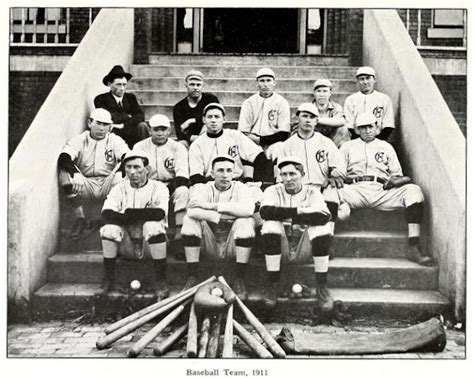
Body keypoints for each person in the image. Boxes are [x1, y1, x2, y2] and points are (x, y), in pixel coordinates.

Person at [338, 112, 433, 266]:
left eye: (370, 126)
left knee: (413, 191)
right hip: (356, 190)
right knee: (330, 192)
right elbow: (339, 173)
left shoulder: (386, 147)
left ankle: (414, 246)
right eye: (363, 127)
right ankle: (326, 242)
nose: (367, 130)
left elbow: (398, 175)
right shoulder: (347, 147)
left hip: (381, 190)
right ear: (356, 130)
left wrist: (395, 182)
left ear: (377, 128)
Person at [260, 157, 334, 311]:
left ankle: (322, 286)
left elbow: (324, 216)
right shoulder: (272, 190)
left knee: (321, 228)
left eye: (292, 174)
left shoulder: (312, 191)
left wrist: (284, 214)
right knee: (270, 225)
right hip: (281, 247)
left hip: (305, 247)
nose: (288, 179)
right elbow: (265, 212)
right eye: (284, 174)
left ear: (302, 174)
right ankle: (272, 284)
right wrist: (300, 211)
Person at [181, 155, 256, 299]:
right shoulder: (203, 188)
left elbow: (248, 210)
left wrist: (211, 206)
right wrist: (221, 216)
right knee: (190, 220)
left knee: (245, 222)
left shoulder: (241, 188)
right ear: (212, 173)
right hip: (209, 243)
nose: (225, 175)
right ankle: (192, 276)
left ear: (234, 173)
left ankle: (239, 278)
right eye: (220, 170)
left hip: (232, 244)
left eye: (229, 170)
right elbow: (192, 210)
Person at [99, 150, 171, 298]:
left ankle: (161, 280)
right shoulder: (119, 188)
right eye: (128, 167)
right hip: (126, 245)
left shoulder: (158, 187)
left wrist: (128, 214)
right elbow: (106, 213)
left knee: (152, 225)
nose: (132, 171)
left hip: (150, 245)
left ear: (147, 169)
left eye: (137, 167)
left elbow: (159, 213)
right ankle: (109, 279)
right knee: (109, 229)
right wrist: (136, 215)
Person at [58, 108, 129, 239]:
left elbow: (128, 156)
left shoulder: (114, 140)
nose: (102, 128)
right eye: (99, 123)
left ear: (110, 127)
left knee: (126, 170)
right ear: (90, 122)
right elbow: (64, 157)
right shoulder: (80, 139)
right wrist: (75, 173)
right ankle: (81, 219)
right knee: (64, 172)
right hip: (85, 183)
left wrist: (120, 171)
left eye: (106, 125)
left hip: (108, 183)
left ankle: (111, 218)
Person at [279, 103, 346, 239]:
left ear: (317, 121)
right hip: (298, 190)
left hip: (320, 188)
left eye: (312, 117)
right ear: (297, 118)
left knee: (334, 197)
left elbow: (340, 168)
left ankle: (329, 238)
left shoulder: (326, 142)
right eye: (305, 116)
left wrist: (334, 172)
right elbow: (280, 175)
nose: (308, 120)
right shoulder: (287, 145)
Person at [133, 114, 189, 240]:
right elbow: (136, 173)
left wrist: (164, 191)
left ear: (169, 131)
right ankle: (143, 234)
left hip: (171, 185)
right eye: (156, 129)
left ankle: (179, 234)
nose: (159, 133)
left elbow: (182, 176)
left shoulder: (178, 147)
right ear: (150, 130)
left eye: (163, 129)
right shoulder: (139, 147)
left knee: (183, 191)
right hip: (148, 185)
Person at [189, 103, 270, 186]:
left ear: (224, 119)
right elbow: (195, 175)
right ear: (204, 120)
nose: (213, 120)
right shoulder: (197, 144)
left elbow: (259, 156)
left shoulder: (235, 135)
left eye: (217, 117)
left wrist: (258, 180)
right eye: (209, 117)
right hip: (210, 184)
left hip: (236, 183)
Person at [238, 68, 290, 182]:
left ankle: (279, 181)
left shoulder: (282, 102)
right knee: (246, 149)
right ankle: (248, 182)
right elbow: (243, 132)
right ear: (257, 83)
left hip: (273, 142)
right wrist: (255, 141)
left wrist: (260, 140)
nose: (265, 84)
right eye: (262, 81)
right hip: (252, 142)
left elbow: (283, 134)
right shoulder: (249, 103)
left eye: (268, 80)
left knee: (280, 148)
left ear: (274, 82)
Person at [94, 65, 148, 148]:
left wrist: (124, 125)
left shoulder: (130, 98)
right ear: (109, 84)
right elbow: (107, 116)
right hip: (114, 133)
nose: (122, 88)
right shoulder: (101, 99)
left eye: (124, 85)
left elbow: (140, 115)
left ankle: (144, 154)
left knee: (142, 125)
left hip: (130, 132)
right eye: (118, 85)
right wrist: (128, 116)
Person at [344, 66, 395, 141]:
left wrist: (377, 140)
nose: (365, 82)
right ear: (357, 81)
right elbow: (349, 125)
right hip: (356, 139)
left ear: (374, 79)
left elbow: (388, 124)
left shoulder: (384, 99)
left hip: (379, 139)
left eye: (368, 78)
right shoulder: (351, 99)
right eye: (362, 79)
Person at [173, 70, 219, 148]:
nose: (195, 88)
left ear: (202, 86)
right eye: (192, 84)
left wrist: (191, 121)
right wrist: (192, 137)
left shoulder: (211, 100)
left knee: (208, 124)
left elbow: (216, 120)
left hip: (209, 137)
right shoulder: (179, 107)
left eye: (198, 85)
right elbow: (179, 132)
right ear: (186, 85)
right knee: (181, 145)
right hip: (190, 140)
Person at [311, 79, 350, 148]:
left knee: (343, 130)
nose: (322, 95)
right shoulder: (309, 107)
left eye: (325, 91)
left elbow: (341, 121)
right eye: (319, 91)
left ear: (330, 93)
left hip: (333, 141)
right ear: (314, 93)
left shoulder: (336, 107)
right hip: (313, 141)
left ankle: (338, 157)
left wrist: (318, 120)